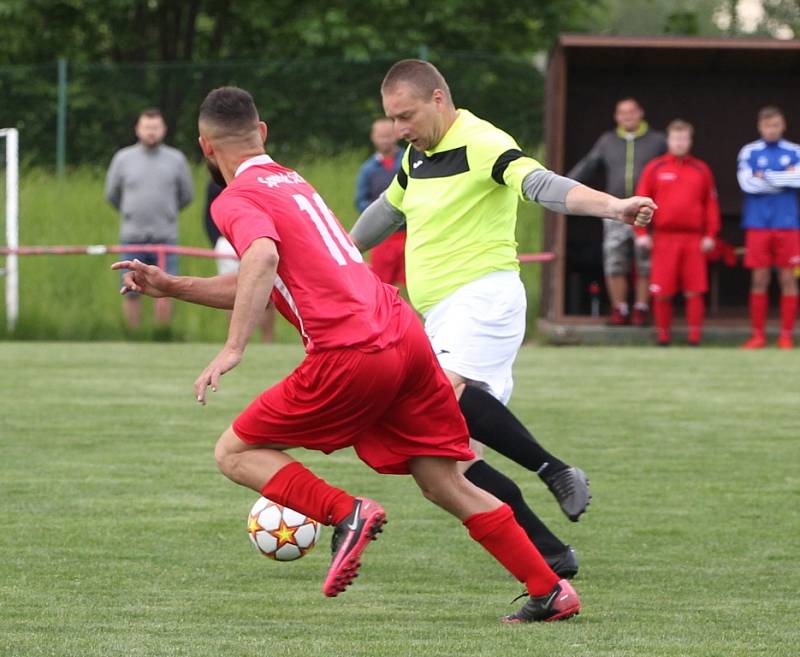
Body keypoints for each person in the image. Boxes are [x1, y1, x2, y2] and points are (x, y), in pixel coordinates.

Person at [112, 86, 595, 623]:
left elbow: (262, 259)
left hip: (351, 350)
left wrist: (233, 348)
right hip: (404, 337)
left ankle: (347, 514)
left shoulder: (235, 199)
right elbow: (269, 280)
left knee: (234, 452)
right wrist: (173, 286)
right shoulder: (294, 182)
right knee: (442, 479)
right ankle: (550, 588)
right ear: (263, 133)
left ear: (205, 147)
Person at [350, 60, 656, 574]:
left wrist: (612, 206)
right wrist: (337, 251)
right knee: (445, 467)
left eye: (406, 116)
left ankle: (555, 469)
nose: (399, 129)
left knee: (436, 394)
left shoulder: (482, 141)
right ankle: (552, 553)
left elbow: (541, 184)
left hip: (482, 297)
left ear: (438, 100)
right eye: (392, 119)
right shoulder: (415, 155)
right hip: (440, 317)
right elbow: (387, 208)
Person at [568, 98, 666, 326]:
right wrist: (562, 185)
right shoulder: (607, 141)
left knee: (645, 263)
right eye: (622, 112)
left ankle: (641, 309)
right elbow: (587, 165)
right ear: (616, 116)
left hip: (647, 210)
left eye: (632, 111)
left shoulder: (657, 141)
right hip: (615, 210)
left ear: (641, 113)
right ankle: (619, 309)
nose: (628, 116)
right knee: (614, 261)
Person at [104, 108, 193, 328]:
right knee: (130, 288)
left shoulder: (176, 159)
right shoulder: (123, 159)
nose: (151, 132)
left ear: (163, 129)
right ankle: (132, 333)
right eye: (147, 127)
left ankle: (162, 334)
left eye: (155, 127)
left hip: (165, 237)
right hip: (133, 235)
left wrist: (167, 212)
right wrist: (130, 212)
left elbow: (186, 195)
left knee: (166, 288)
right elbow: (112, 195)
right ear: (138, 129)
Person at [635, 120, 721, 346]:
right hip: (663, 238)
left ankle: (695, 337)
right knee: (662, 290)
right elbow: (641, 201)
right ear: (669, 140)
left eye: (684, 139)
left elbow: (711, 204)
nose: (680, 143)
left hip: (693, 239)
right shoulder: (655, 168)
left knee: (695, 290)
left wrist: (711, 235)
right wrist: (641, 233)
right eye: (676, 138)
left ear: (690, 141)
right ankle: (663, 336)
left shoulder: (701, 169)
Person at [737, 106, 800, 349]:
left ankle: (785, 335)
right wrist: (783, 177)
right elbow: (748, 183)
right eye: (767, 126)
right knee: (759, 278)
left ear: (783, 125)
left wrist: (766, 176)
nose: (771, 130)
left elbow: (798, 179)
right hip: (758, 224)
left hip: (788, 224)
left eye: (775, 125)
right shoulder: (749, 151)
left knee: (788, 278)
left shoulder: (795, 151)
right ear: (760, 127)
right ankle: (758, 335)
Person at [205, 179, 275, 342]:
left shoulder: (255, 179)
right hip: (234, 240)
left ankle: (264, 341)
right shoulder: (219, 181)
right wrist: (218, 240)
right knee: (234, 290)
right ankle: (239, 341)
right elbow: (209, 216)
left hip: (255, 239)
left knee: (265, 291)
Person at [355, 118, 406, 286]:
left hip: (410, 234)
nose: (385, 140)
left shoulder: (408, 161)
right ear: (373, 137)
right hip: (381, 237)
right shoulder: (368, 169)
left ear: (397, 135)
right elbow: (361, 200)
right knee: (381, 284)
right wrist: (378, 211)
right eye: (381, 136)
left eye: (388, 136)